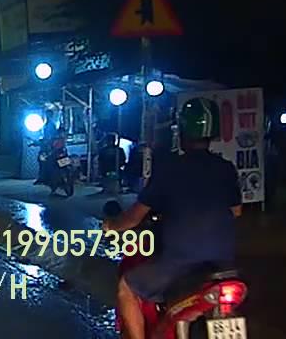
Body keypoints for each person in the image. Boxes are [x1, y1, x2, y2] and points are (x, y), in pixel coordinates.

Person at [102, 98, 242, 339]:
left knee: (126, 287)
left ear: (182, 131)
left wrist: (112, 225)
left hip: (181, 262)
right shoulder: (225, 168)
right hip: (224, 265)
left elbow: (134, 218)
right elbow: (237, 212)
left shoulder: (169, 168)